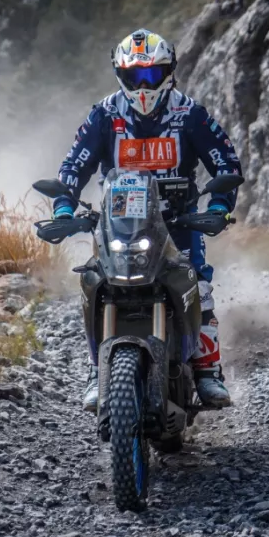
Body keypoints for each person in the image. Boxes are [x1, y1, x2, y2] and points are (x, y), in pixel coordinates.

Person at [52, 28, 239, 413]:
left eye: (151, 75)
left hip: (179, 220)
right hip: (117, 222)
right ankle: (95, 370)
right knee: (95, 283)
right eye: (134, 75)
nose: (142, 84)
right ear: (120, 74)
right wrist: (64, 207)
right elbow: (74, 164)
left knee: (198, 283)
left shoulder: (190, 114)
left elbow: (225, 161)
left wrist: (219, 206)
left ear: (168, 72)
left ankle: (207, 369)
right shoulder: (104, 114)